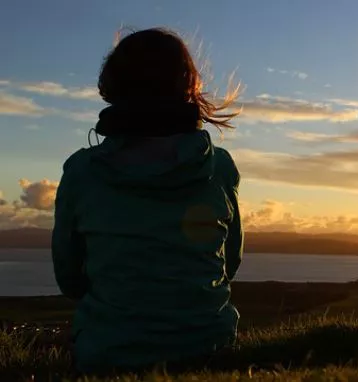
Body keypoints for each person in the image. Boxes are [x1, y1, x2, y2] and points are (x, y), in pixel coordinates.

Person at [51, 28, 244, 374]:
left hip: (107, 355)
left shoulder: (82, 172)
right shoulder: (220, 167)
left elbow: (69, 278)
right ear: (188, 88)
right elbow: (229, 263)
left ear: (112, 90)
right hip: (210, 349)